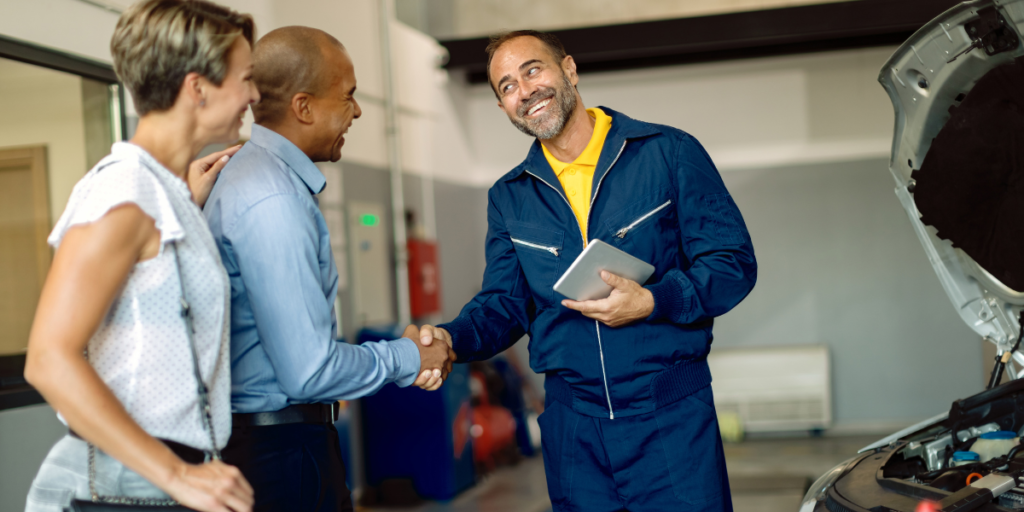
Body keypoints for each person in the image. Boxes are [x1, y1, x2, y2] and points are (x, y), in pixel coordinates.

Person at [418, 30, 757, 512]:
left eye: (533, 70)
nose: (525, 90)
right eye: (508, 86)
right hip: (573, 430)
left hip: (670, 418)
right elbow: (504, 305)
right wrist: (451, 339)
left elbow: (733, 263)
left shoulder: (667, 153)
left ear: (569, 70)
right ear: (502, 106)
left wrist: (655, 300)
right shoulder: (510, 196)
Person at [202, 26, 455, 512]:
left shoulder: (257, 180)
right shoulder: (273, 200)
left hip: (269, 447)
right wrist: (408, 358)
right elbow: (309, 371)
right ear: (304, 107)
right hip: (280, 458)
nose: (357, 111)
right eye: (349, 96)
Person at [23, 1, 260, 511]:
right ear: (197, 88)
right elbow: (48, 359)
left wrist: (183, 207)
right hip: (124, 484)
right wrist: (176, 474)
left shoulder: (160, 195)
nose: (255, 95)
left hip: (152, 478)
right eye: (246, 78)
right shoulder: (125, 195)